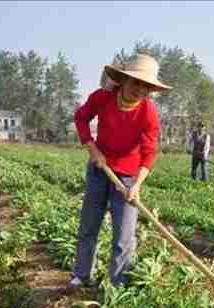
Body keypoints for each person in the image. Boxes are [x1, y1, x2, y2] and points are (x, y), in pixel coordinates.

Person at [68, 54, 170, 290]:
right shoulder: (102, 98)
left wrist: (137, 184)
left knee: (124, 236)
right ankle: (81, 275)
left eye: (146, 86)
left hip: (127, 177)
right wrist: (93, 149)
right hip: (99, 170)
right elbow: (81, 118)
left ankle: (118, 286)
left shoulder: (148, 112)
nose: (140, 89)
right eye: (136, 82)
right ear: (123, 80)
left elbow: (149, 151)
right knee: (89, 226)